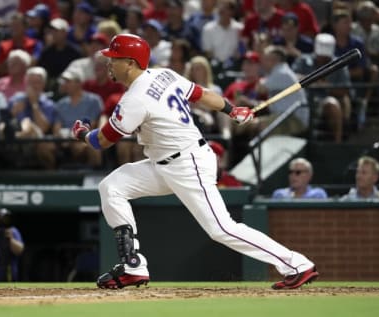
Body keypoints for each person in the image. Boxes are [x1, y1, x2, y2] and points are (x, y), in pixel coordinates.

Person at [71, 34, 318, 290]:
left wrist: (81, 134)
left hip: (187, 164)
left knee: (221, 228)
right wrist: (232, 110)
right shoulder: (164, 75)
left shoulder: (135, 98)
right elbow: (201, 94)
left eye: (114, 59)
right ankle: (133, 266)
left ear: (131, 63)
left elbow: (103, 140)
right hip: (164, 163)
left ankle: (296, 264)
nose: (108, 63)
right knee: (112, 187)